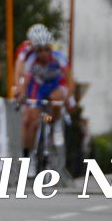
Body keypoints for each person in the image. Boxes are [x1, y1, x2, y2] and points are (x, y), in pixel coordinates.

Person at [13, 25, 69, 158]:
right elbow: (20, 73)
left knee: (55, 101)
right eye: (38, 49)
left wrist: (69, 98)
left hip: (52, 83)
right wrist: (19, 91)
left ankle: (53, 123)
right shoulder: (26, 52)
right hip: (35, 82)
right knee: (29, 119)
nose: (42, 52)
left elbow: (67, 76)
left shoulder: (54, 53)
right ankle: (28, 155)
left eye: (45, 49)